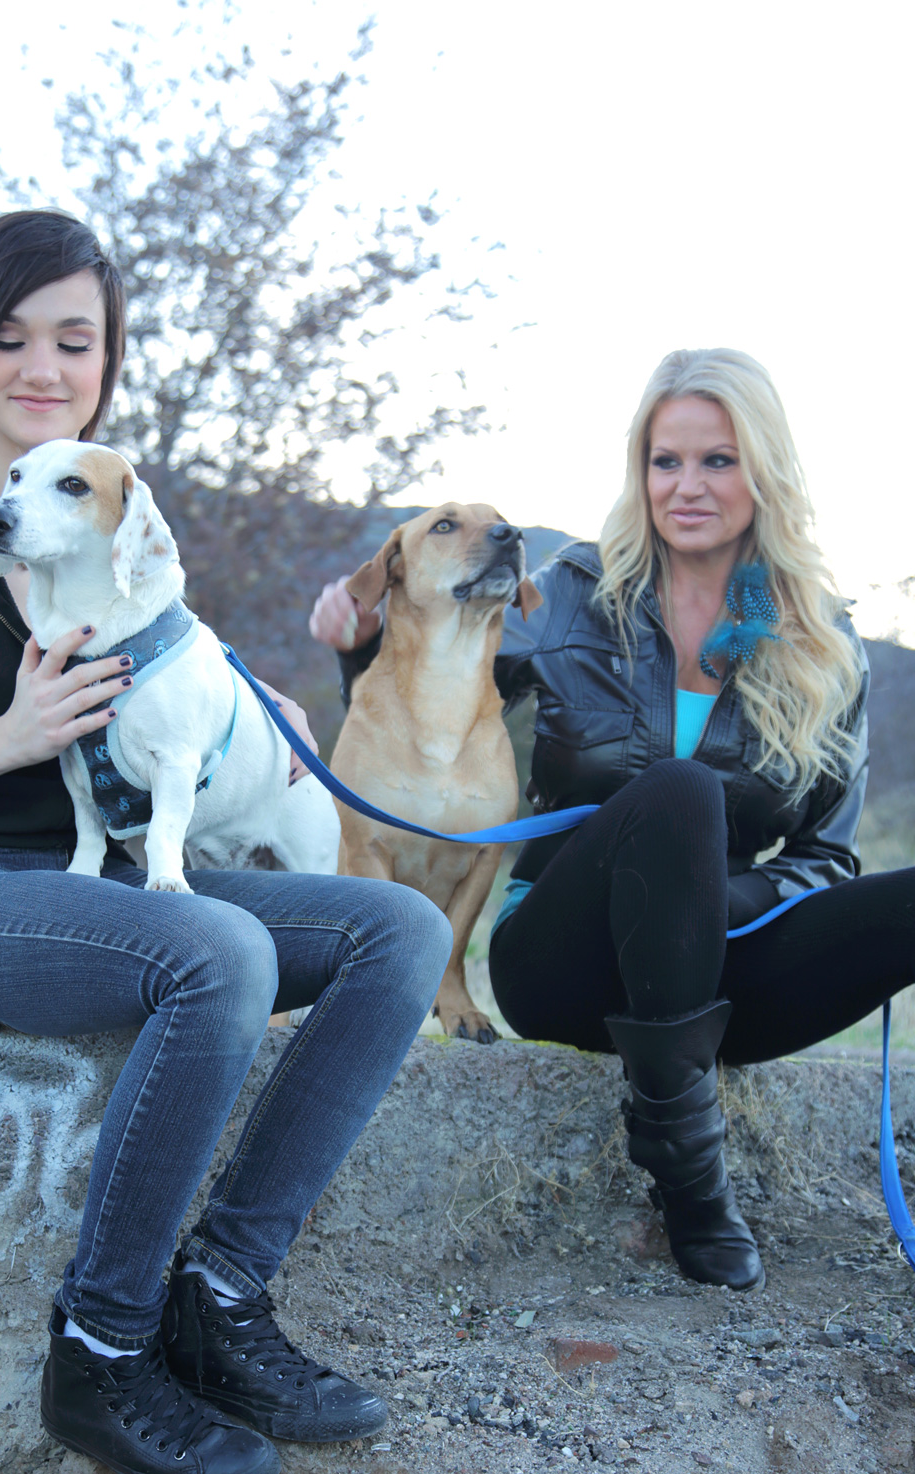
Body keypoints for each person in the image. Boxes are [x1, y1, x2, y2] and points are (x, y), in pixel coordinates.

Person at [0, 210, 451, 1474]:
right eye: (10, 337)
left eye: (75, 341)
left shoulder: (107, 514)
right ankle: (102, 1347)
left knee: (400, 930)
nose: (43, 367)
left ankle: (221, 1295)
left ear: (108, 358)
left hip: (113, 877)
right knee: (219, 948)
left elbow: (168, 677)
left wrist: (252, 704)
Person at [311, 347, 915, 1297]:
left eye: (718, 460)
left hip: (717, 973)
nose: (686, 486)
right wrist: (359, 650)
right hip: (565, 959)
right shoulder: (572, 595)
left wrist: (708, 900)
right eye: (665, 461)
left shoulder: (820, 638)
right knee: (682, 791)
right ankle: (690, 1182)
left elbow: (826, 858)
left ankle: (680, 1060)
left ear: (765, 470)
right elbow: (431, 704)